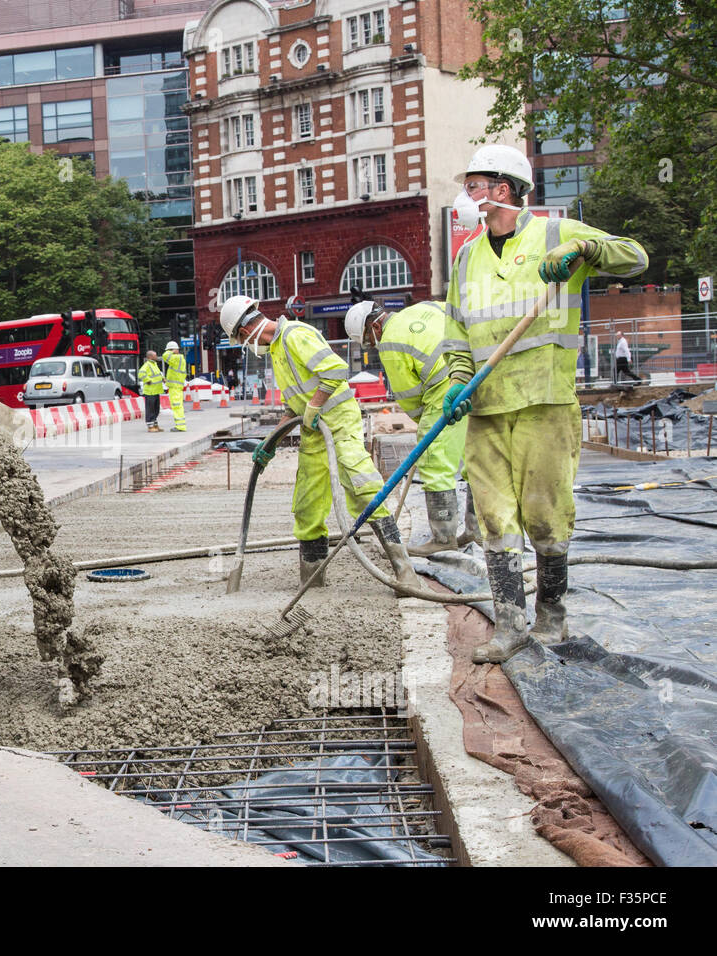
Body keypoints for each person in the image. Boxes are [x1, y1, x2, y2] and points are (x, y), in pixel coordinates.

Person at [442, 144, 648, 663]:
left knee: (545, 512)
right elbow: (455, 329)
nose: (467, 196)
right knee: (494, 517)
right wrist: (458, 380)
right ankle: (510, 625)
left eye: (473, 187)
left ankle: (551, 617)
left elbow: (637, 256)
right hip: (485, 407)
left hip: (544, 402)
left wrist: (586, 253)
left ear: (503, 189)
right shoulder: (466, 256)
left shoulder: (556, 235)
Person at [219, 295, 418, 589]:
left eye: (241, 341)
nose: (249, 347)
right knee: (307, 506)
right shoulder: (276, 351)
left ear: (245, 333)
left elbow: (336, 371)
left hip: (339, 425)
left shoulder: (296, 335)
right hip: (314, 434)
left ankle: (404, 573)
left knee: (363, 488)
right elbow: (293, 406)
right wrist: (271, 441)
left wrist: (314, 406)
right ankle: (312, 581)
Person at [344, 299, 480, 555]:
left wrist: (427, 428)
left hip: (444, 389)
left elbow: (409, 397)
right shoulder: (421, 308)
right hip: (474, 373)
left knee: (433, 460)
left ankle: (443, 538)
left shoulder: (390, 342)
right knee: (476, 455)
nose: (373, 346)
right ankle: (478, 530)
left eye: (370, 341)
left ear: (373, 328)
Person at [162, 340, 188, 432]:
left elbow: (165, 356)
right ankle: (180, 425)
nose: (168, 352)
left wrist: (171, 350)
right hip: (176, 386)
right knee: (178, 406)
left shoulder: (177, 358)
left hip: (175, 387)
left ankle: (180, 426)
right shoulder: (178, 359)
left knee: (176, 406)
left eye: (169, 350)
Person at [138, 349, 164, 432]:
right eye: (155, 355)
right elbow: (141, 373)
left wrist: (163, 378)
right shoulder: (147, 364)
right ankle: (150, 426)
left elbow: (158, 374)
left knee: (156, 409)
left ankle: (155, 425)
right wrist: (147, 380)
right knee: (150, 409)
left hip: (156, 390)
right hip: (150, 391)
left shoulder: (154, 364)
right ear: (150, 356)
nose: (156, 357)